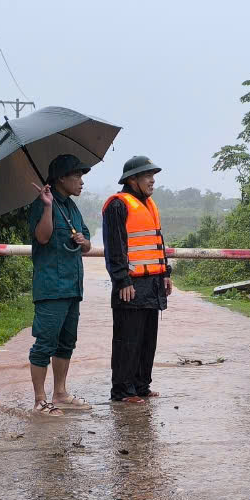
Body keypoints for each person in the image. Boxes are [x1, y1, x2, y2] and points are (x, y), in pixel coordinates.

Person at [25, 154, 94, 416]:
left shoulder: (72, 208)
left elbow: (86, 243)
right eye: (76, 176)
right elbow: (42, 238)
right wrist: (46, 206)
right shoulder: (43, 203)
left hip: (73, 286)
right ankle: (40, 400)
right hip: (51, 287)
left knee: (67, 342)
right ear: (61, 178)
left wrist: (82, 241)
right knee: (45, 342)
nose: (81, 182)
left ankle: (61, 393)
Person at [102, 156, 172, 404]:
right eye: (147, 176)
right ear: (132, 179)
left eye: (153, 176)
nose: (152, 181)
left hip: (152, 284)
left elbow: (157, 242)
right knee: (127, 339)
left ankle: (141, 386)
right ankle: (123, 391)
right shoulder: (118, 205)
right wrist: (122, 281)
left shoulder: (150, 205)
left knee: (146, 339)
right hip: (130, 285)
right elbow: (114, 248)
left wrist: (165, 273)